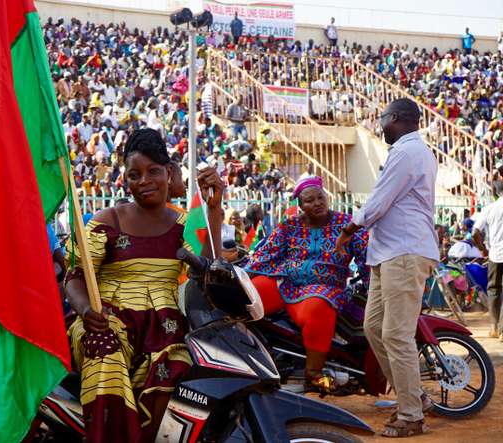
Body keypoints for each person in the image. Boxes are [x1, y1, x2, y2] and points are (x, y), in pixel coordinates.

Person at [65, 128, 223, 443]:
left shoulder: (185, 225)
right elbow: (74, 277)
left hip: (165, 331)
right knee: (105, 356)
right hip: (104, 322)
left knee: (184, 373)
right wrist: (85, 311)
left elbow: (208, 269)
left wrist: (214, 209)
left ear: (170, 172)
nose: (144, 181)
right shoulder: (108, 221)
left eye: (153, 171)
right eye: (134, 174)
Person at [335, 98, 439, 438]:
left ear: (395, 118)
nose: (380, 126)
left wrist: (349, 229)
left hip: (404, 253)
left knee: (395, 333)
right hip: (389, 254)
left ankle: (411, 414)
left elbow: (379, 201)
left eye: (383, 120)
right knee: (375, 328)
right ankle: (414, 397)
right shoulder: (410, 152)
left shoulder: (407, 153)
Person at [247, 176, 368, 391]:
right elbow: (265, 254)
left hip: (324, 288)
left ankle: (313, 373)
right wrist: (243, 273)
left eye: (320, 197)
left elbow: (366, 255)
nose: (317, 203)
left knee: (318, 307)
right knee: (246, 294)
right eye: (310, 200)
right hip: (285, 282)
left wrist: (373, 281)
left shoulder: (346, 224)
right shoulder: (290, 225)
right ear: (301, 205)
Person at [473, 200, 503, 340]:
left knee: (493, 289)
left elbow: (475, 232)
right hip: (495, 254)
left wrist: (482, 249)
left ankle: (494, 327)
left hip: (494, 255)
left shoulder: (490, 208)